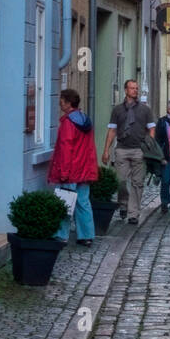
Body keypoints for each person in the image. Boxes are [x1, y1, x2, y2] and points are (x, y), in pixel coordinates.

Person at [101, 79, 156, 224]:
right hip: (122, 149)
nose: (135, 91)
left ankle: (133, 213)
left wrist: (149, 145)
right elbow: (112, 130)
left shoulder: (145, 109)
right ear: (126, 90)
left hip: (139, 150)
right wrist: (106, 150)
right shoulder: (118, 110)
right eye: (132, 88)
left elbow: (152, 129)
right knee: (121, 181)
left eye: (136, 88)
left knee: (137, 183)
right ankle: (123, 204)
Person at [48, 88, 98, 245]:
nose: (60, 104)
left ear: (68, 103)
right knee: (83, 202)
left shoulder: (68, 122)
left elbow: (65, 148)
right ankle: (86, 235)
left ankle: (60, 235)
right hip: (84, 168)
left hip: (70, 170)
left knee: (65, 202)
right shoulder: (85, 119)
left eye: (61, 101)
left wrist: (63, 171)